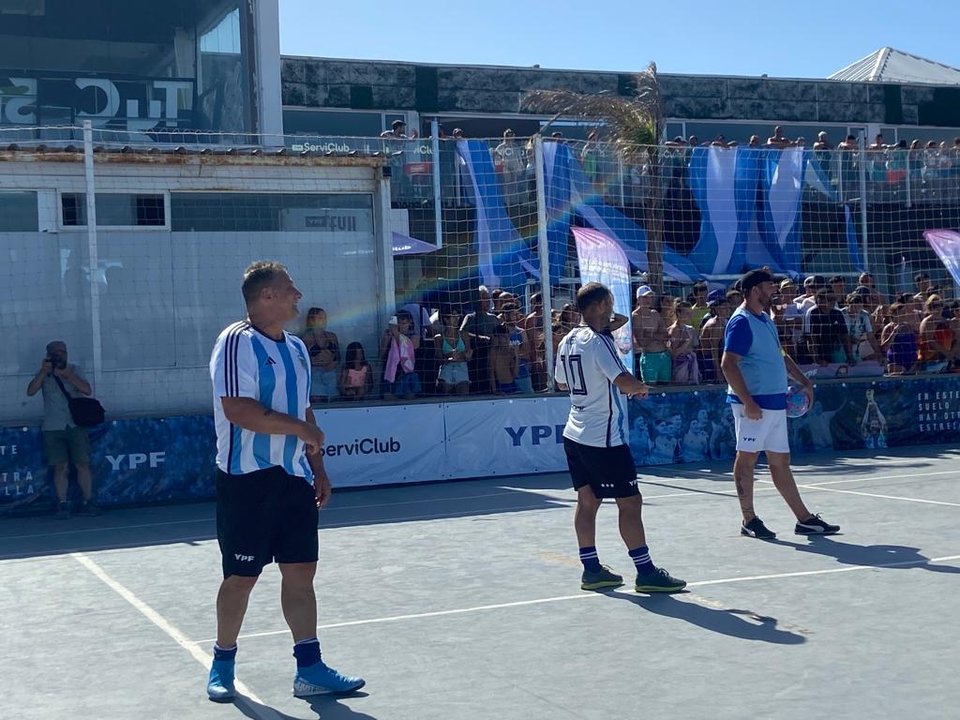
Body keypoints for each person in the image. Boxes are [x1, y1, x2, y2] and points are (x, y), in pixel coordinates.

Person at [206, 261, 363, 702]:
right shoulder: (236, 342)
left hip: (293, 478)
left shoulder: (295, 347)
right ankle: (222, 663)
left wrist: (318, 467)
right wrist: (302, 431)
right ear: (266, 297)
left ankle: (309, 669)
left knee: (301, 573)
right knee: (241, 576)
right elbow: (239, 410)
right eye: (289, 289)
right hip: (246, 481)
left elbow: (303, 410)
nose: (298, 295)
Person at [555, 282, 686, 593]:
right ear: (601, 304)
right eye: (610, 302)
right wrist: (641, 387)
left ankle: (591, 569)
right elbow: (624, 381)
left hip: (575, 432)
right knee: (630, 503)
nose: (614, 308)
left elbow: (562, 383)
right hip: (603, 438)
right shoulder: (599, 342)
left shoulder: (569, 339)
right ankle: (646, 572)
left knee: (587, 501)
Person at [720, 269, 840, 540]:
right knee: (747, 458)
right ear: (753, 291)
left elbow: (780, 355)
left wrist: (803, 381)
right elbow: (728, 365)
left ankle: (804, 519)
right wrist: (748, 402)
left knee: (780, 460)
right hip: (753, 405)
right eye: (768, 286)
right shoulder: (741, 322)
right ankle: (749, 519)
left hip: (774, 403)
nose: (773, 290)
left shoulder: (765, 319)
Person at [26, 340, 98, 517]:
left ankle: (88, 501)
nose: (60, 355)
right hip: (53, 426)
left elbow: (87, 390)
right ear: (49, 354)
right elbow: (30, 391)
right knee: (60, 467)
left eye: (63, 352)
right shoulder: (44, 372)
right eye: (56, 353)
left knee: (82, 463)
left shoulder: (75, 369)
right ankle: (62, 503)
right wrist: (44, 371)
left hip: (75, 423)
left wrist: (68, 375)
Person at [300, 308, 340, 403]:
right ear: (312, 320)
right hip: (315, 374)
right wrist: (315, 362)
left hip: (331, 373)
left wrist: (333, 363)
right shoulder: (305, 338)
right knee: (316, 401)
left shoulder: (332, 336)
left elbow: (338, 355)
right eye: (321, 318)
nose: (324, 320)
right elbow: (301, 360)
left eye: (324, 318)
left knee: (333, 402)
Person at [489, 325, 519, 394]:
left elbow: (515, 374)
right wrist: (495, 391)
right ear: (497, 338)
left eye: (508, 337)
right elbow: (491, 372)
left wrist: (516, 357)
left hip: (511, 385)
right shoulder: (494, 351)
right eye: (504, 337)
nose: (507, 339)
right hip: (500, 386)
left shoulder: (511, 351)